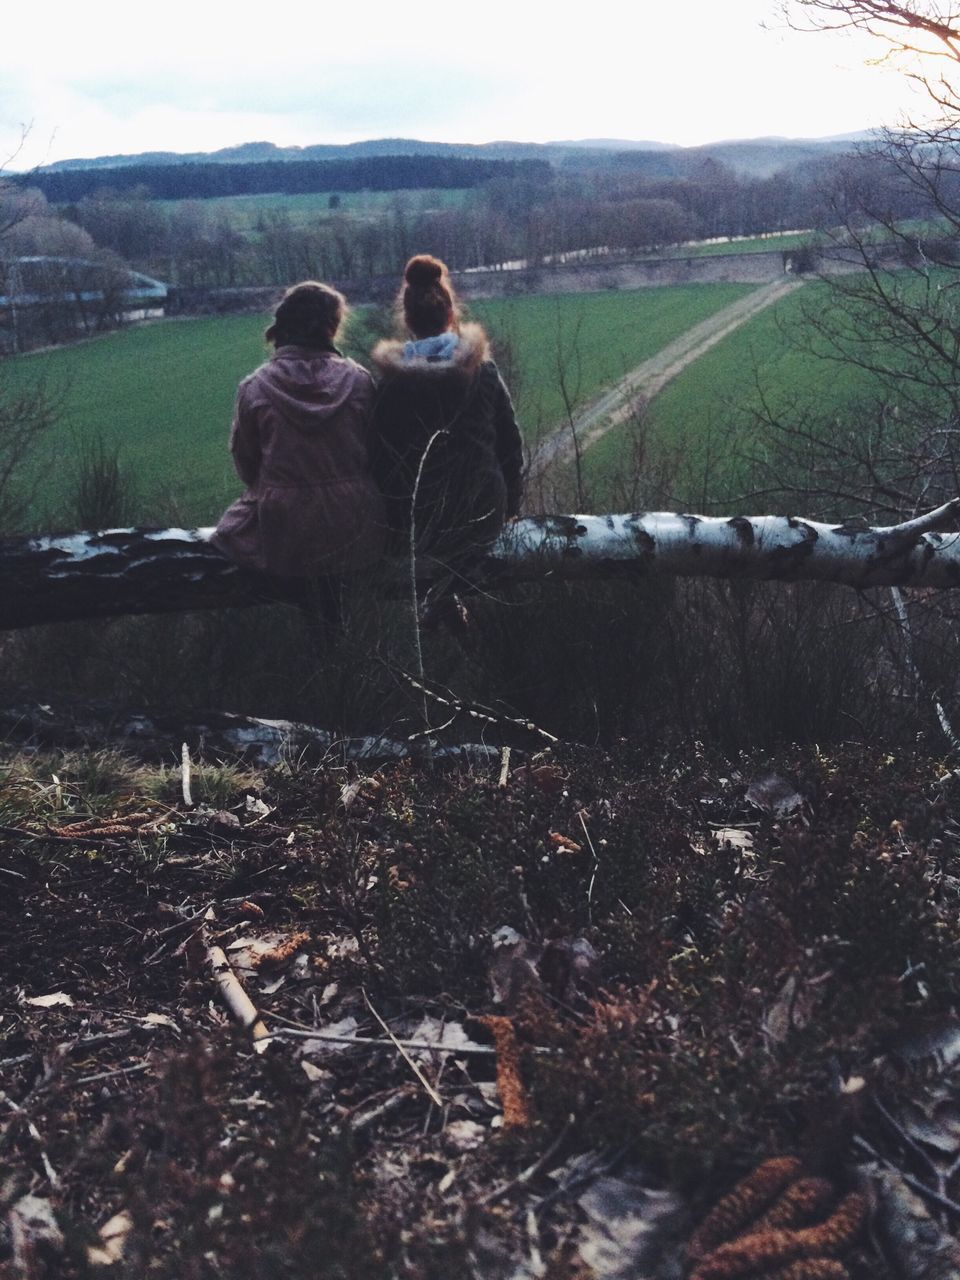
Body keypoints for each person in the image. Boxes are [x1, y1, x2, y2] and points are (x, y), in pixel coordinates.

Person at [212, 281, 386, 632]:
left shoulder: (255, 387)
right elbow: (380, 453)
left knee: (315, 621)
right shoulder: (361, 381)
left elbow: (247, 463)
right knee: (349, 622)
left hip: (287, 530)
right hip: (357, 525)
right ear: (331, 327)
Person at [369, 254, 523, 631]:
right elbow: (511, 446)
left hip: (419, 522)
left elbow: (380, 460)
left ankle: (440, 612)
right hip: (483, 514)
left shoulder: (390, 386)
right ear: (450, 313)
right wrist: (510, 505)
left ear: (407, 320)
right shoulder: (483, 372)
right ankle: (449, 613)